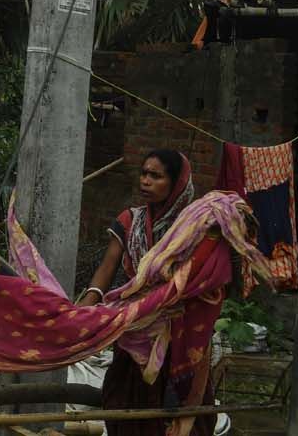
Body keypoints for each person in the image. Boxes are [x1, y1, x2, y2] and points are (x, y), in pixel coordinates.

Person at [80, 149, 218, 436]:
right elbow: (107, 269)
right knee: (124, 405)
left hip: (180, 334)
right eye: (143, 173)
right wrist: (85, 308)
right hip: (135, 330)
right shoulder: (130, 221)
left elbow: (205, 277)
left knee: (180, 414)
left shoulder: (194, 228)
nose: (145, 181)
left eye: (155, 176)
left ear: (176, 182)